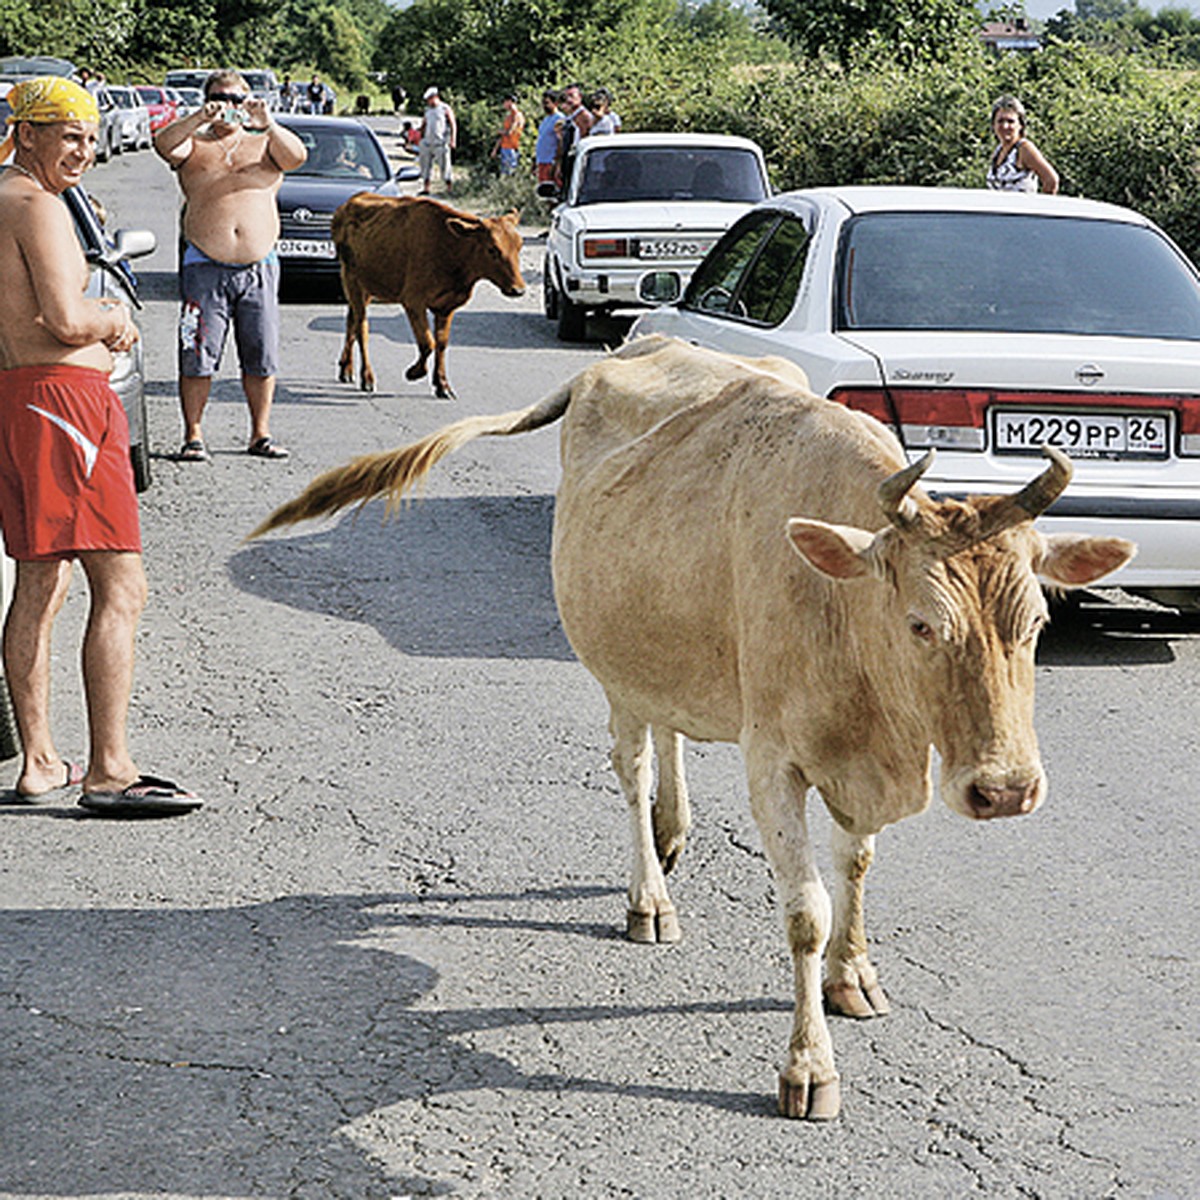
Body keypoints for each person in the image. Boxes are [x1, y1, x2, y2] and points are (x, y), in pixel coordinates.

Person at [0, 77, 200, 815]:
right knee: (121, 586)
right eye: (67, 135)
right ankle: (110, 768)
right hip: (65, 405)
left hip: (24, 400)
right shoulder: (36, 205)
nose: (83, 149)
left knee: (40, 583)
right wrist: (111, 315)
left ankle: (41, 760)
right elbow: (62, 316)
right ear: (26, 134)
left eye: (89, 137)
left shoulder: (8, 198)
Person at [153, 69, 307, 462]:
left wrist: (267, 122)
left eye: (237, 99)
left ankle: (260, 433)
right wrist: (199, 117)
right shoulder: (195, 144)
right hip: (204, 264)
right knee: (196, 352)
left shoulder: (265, 144)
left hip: (259, 265)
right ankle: (193, 435)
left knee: (261, 353)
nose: (229, 107)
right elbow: (163, 144)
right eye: (221, 98)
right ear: (208, 99)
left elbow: (297, 156)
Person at [986, 95, 1058, 194]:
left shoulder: (1024, 149)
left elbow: (1051, 180)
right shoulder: (998, 151)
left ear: (1020, 125)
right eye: (1000, 121)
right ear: (993, 125)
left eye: (1010, 121)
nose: (1005, 126)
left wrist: (1039, 206)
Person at [418, 86, 456, 195]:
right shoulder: (427, 110)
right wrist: (419, 136)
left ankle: (449, 188)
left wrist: (453, 140)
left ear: (435, 97)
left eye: (430, 99)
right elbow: (424, 124)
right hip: (428, 142)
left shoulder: (445, 108)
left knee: (445, 166)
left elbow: (453, 124)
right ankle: (426, 188)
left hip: (441, 142)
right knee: (425, 166)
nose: (429, 102)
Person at [554, 82, 593, 188]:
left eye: (572, 96)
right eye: (567, 97)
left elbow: (586, 139)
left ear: (579, 97)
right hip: (568, 158)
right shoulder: (570, 117)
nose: (569, 100)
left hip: (578, 158)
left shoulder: (584, 116)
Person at [533, 89, 564, 185]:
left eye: (547, 103)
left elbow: (561, 142)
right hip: (542, 161)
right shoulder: (545, 120)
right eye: (543, 103)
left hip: (551, 162)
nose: (544, 106)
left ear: (556, 103)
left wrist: (557, 162)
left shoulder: (559, 119)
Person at [490, 93, 525, 176]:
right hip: (504, 148)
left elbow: (510, 132)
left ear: (510, 102)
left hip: (512, 149)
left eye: (505, 102)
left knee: (510, 173)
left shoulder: (517, 116)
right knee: (504, 174)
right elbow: (503, 135)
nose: (503, 104)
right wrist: (495, 149)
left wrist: (499, 131)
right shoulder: (508, 117)